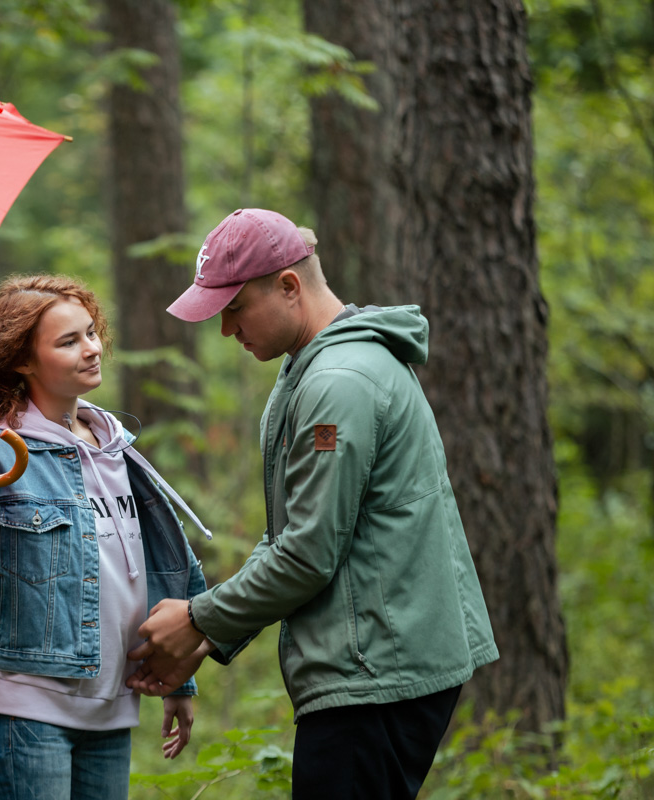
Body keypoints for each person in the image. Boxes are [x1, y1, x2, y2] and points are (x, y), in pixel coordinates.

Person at [125, 209, 499, 800]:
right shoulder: (314, 368)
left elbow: (306, 555)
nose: (226, 329)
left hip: (375, 670)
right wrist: (208, 636)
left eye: (235, 308)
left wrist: (197, 617)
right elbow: (292, 535)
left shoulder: (338, 382)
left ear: (288, 286)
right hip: (375, 662)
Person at [0, 274, 215, 800]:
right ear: (24, 361)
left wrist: (177, 676)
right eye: (69, 341)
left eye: (91, 332)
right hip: (24, 714)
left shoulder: (117, 449)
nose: (92, 349)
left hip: (110, 713)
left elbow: (165, 566)